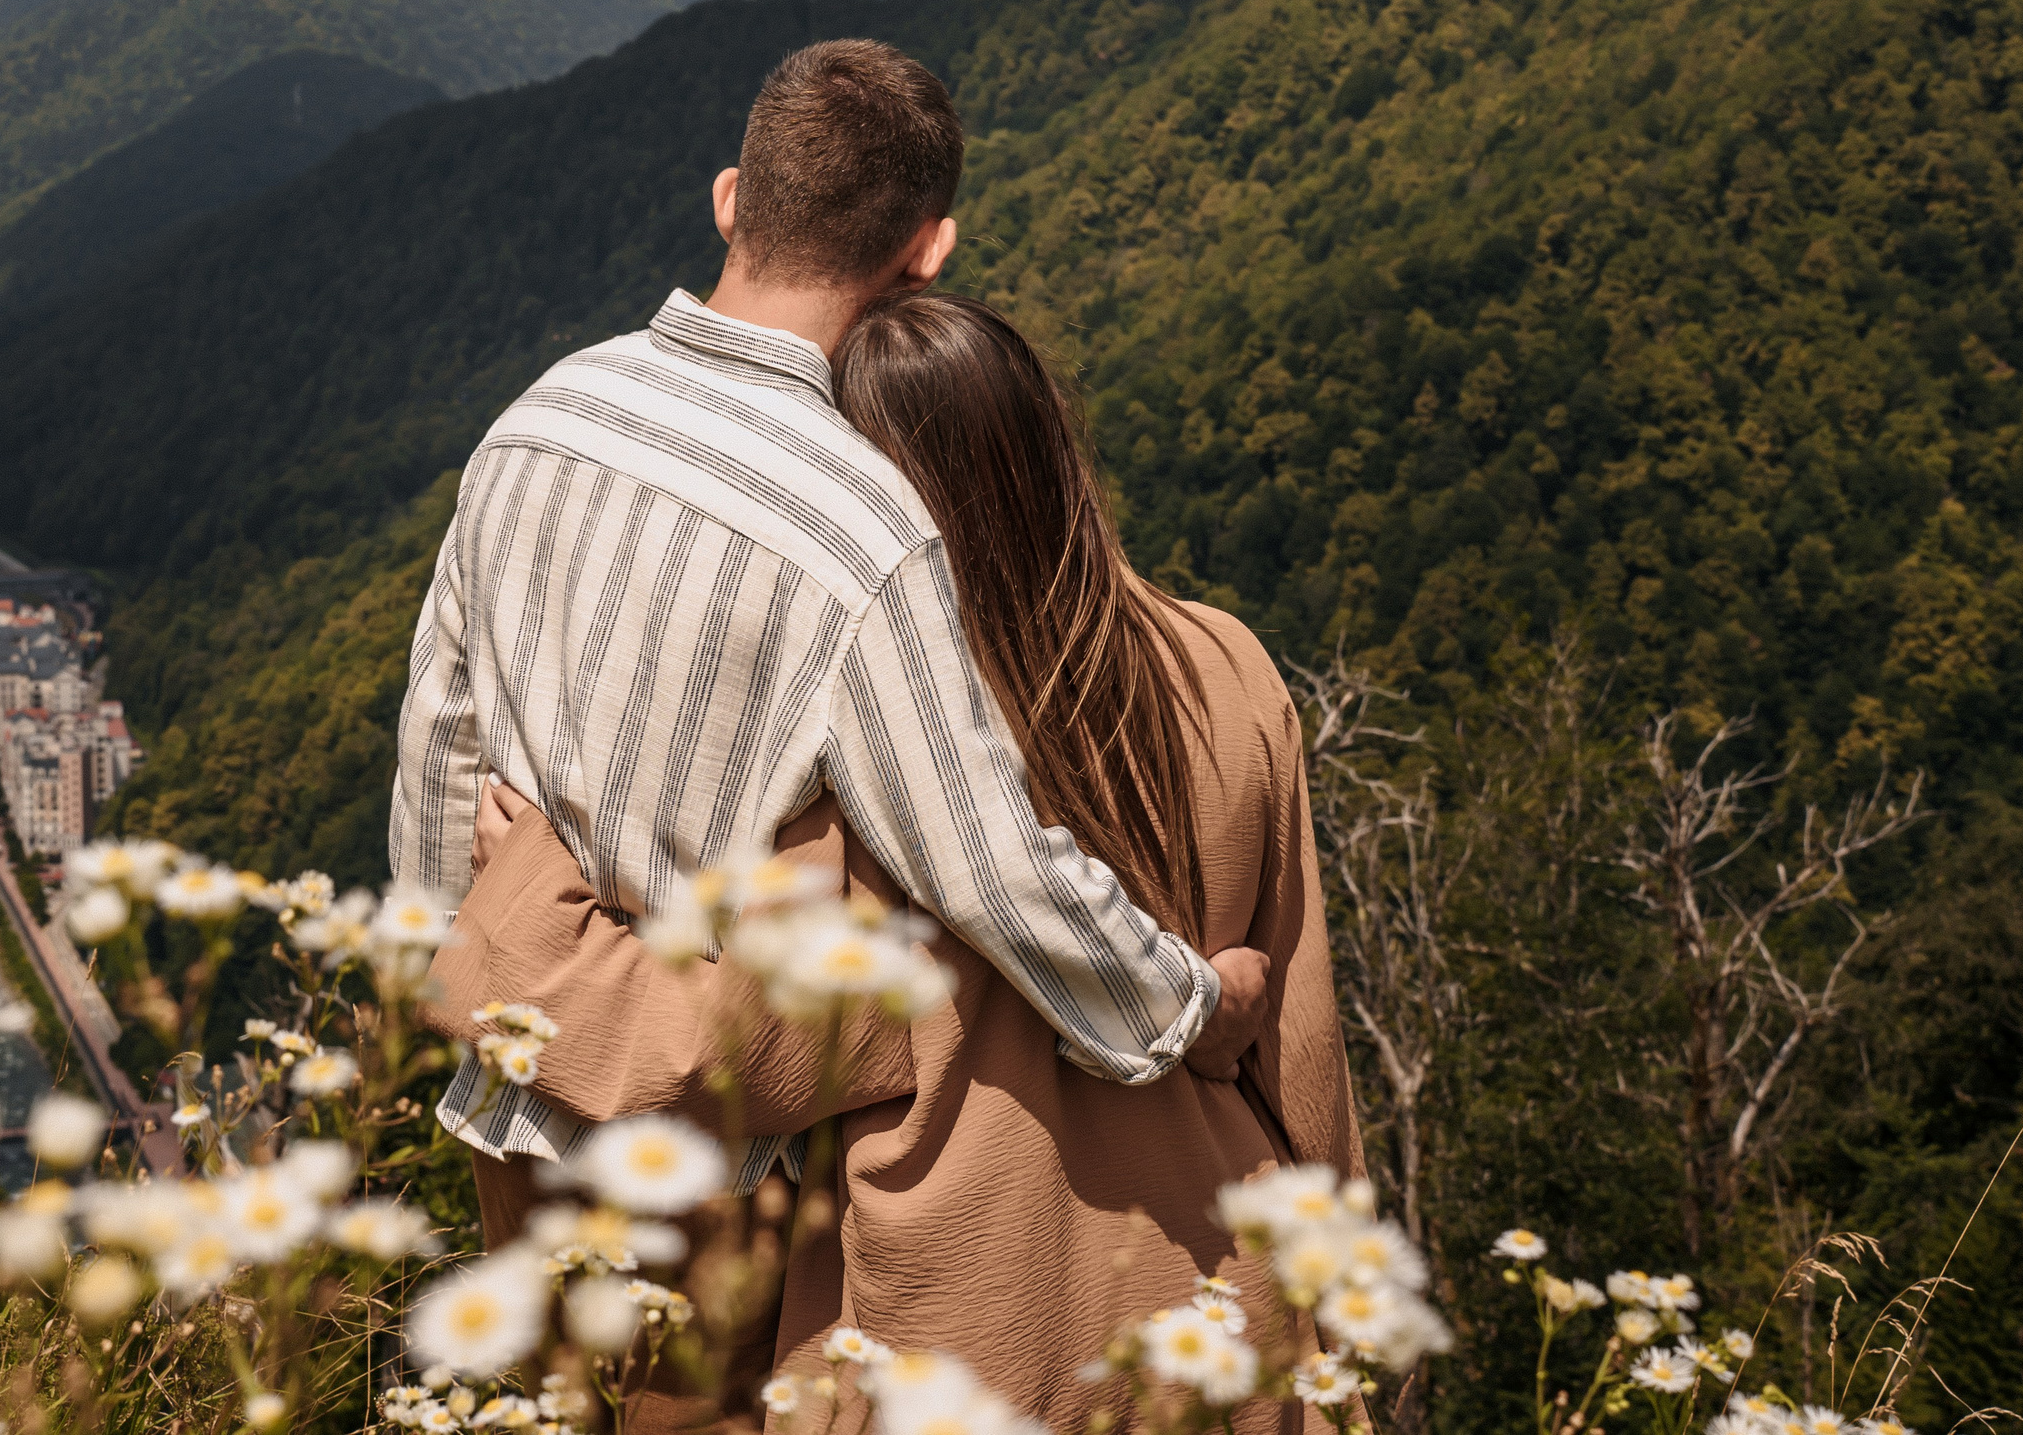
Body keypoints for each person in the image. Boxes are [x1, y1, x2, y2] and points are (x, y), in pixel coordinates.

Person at [386, 42, 1273, 1322]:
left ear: (730, 199)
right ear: (928, 252)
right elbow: (990, 866)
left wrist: (458, 976)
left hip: (514, 1082)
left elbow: (440, 746)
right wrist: (1186, 1008)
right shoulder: (863, 529)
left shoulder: (540, 417)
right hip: (711, 1146)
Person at [442, 291, 1364, 1431]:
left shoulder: (900, 776)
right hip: (1237, 1304)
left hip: (987, 1337)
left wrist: (525, 902)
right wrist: (1348, 1323)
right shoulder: (1227, 664)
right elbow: (1304, 1048)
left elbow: (717, 1055)